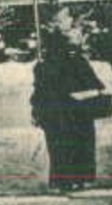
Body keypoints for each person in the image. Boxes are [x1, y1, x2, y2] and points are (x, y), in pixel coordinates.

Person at [30, 30, 107, 191]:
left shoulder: (42, 66)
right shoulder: (77, 62)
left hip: (53, 115)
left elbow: (38, 94)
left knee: (58, 148)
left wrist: (36, 113)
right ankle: (79, 179)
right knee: (80, 145)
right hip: (78, 113)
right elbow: (97, 85)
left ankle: (62, 181)